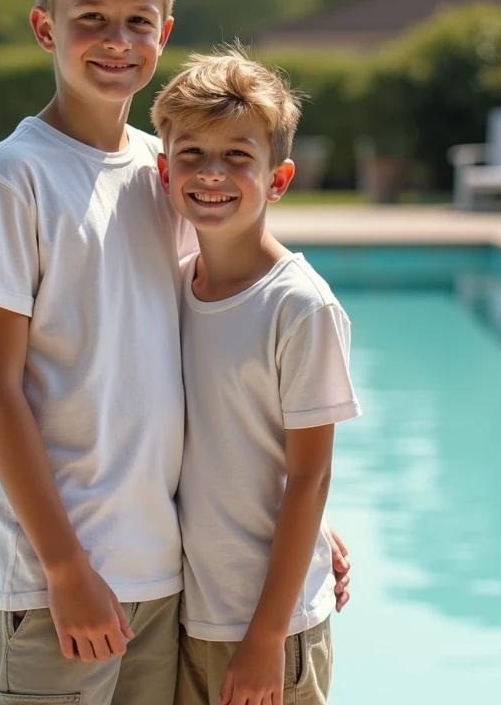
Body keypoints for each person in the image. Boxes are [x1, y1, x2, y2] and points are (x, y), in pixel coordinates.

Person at [0, 0, 352, 705]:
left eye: (138, 21)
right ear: (44, 28)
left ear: (163, 35)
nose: (116, 40)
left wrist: (302, 526)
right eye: (90, 18)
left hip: (165, 578)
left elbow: (202, 369)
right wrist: (66, 570)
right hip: (52, 580)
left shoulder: (162, 171)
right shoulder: (15, 177)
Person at [151, 48, 361, 705]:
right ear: (163, 170)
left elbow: (310, 475)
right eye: (192, 155)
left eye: (238, 156)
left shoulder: (299, 307)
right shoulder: (176, 287)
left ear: (278, 178)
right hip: (191, 613)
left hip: (272, 627)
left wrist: (267, 637)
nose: (212, 173)